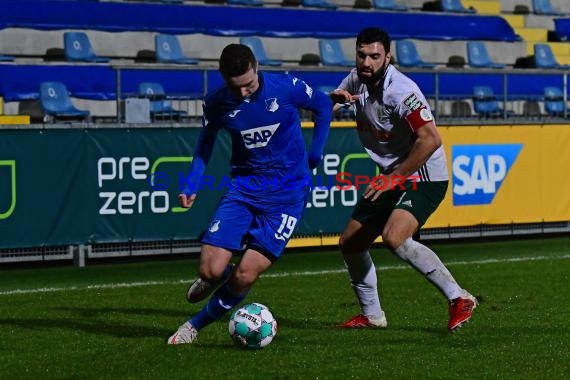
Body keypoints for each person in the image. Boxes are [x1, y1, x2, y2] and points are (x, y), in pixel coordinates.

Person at [168, 43, 332, 344]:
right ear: (223, 78)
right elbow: (205, 143)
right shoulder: (217, 102)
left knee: (246, 275)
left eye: (249, 84)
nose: (244, 93)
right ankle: (219, 275)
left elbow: (322, 104)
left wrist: (315, 154)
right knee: (209, 270)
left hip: (287, 195)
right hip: (244, 189)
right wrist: (192, 182)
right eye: (236, 88)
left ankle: (193, 326)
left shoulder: (284, 86)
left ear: (257, 68)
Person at [329, 27, 477, 331]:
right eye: (361, 55)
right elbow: (330, 104)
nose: (367, 62)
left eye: (374, 56)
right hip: (393, 173)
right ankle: (372, 315)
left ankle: (459, 297)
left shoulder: (402, 91)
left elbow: (430, 139)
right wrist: (327, 101)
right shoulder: (357, 78)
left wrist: (394, 178)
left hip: (424, 174)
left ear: (387, 57)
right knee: (351, 243)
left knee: (395, 237)